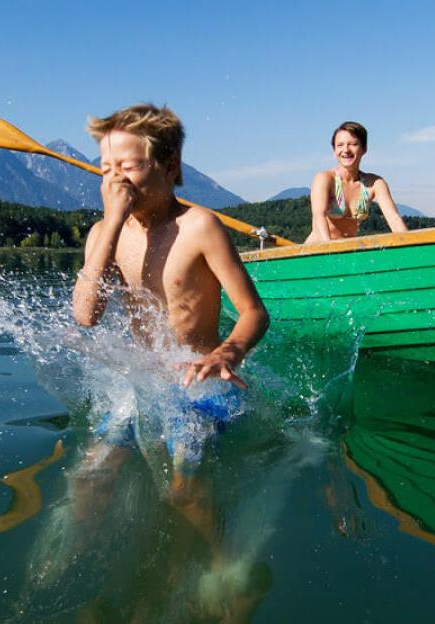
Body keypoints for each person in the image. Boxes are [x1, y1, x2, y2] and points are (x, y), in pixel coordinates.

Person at [67, 102, 269, 567]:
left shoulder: (200, 226)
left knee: (183, 489)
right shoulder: (104, 231)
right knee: (89, 478)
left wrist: (227, 353)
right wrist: (113, 222)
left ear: (170, 165)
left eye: (129, 167)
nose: (115, 181)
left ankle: (229, 564)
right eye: (106, 169)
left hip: (200, 383)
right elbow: (85, 315)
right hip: (146, 379)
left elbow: (255, 314)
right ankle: (79, 562)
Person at [306, 121, 409, 243]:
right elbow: (319, 217)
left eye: (353, 144)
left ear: (364, 148)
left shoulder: (375, 183)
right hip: (319, 251)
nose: (346, 150)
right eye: (340, 145)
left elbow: (394, 219)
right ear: (334, 150)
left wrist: (410, 245)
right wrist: (329, 251)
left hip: (348, 253)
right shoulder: (324, 179)